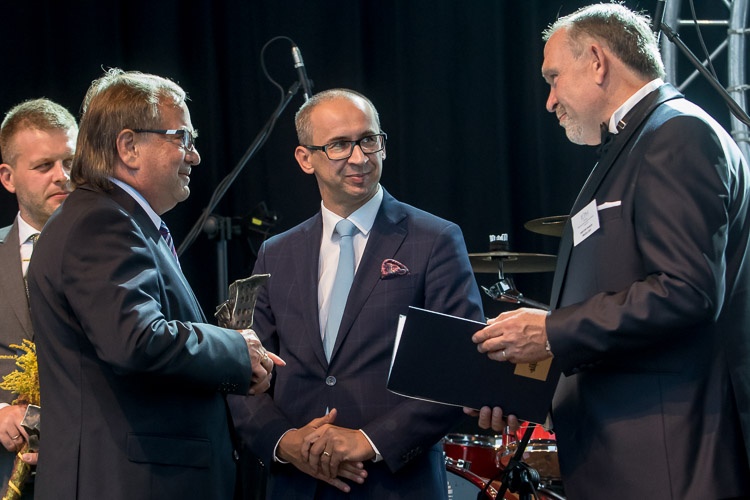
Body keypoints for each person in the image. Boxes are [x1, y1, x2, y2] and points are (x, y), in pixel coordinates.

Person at [466, 3, 750, 499]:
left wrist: (550, 331)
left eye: (553, 78)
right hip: (628, 458)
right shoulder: (638, 140)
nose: (549, 101)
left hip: (666, 464)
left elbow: (685, 291)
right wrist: (522, 383)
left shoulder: (677, 133)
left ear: (597, 61)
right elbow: (616, 299)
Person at [26, 69, 283, 500]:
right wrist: (237, 350)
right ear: (128, 146)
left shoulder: (116, 220)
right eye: (182, 137)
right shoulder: (101, 222)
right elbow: (137, 340)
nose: (194, 155)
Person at [228, 88, 484, 499]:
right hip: (297, 485)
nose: (360, 157)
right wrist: (284, 441)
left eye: (369, 140)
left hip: (396, 484)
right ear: (305, 158)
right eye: (339, 145)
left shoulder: (434, 239)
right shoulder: (276, 252)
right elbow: (242, 367)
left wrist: (370, 440)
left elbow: (460, 368)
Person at [0, 98, 76, 495]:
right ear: (8, 177)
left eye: (71, 162)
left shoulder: (118, 255)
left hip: (90, 470)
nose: (62, 176)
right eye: (44, 166)